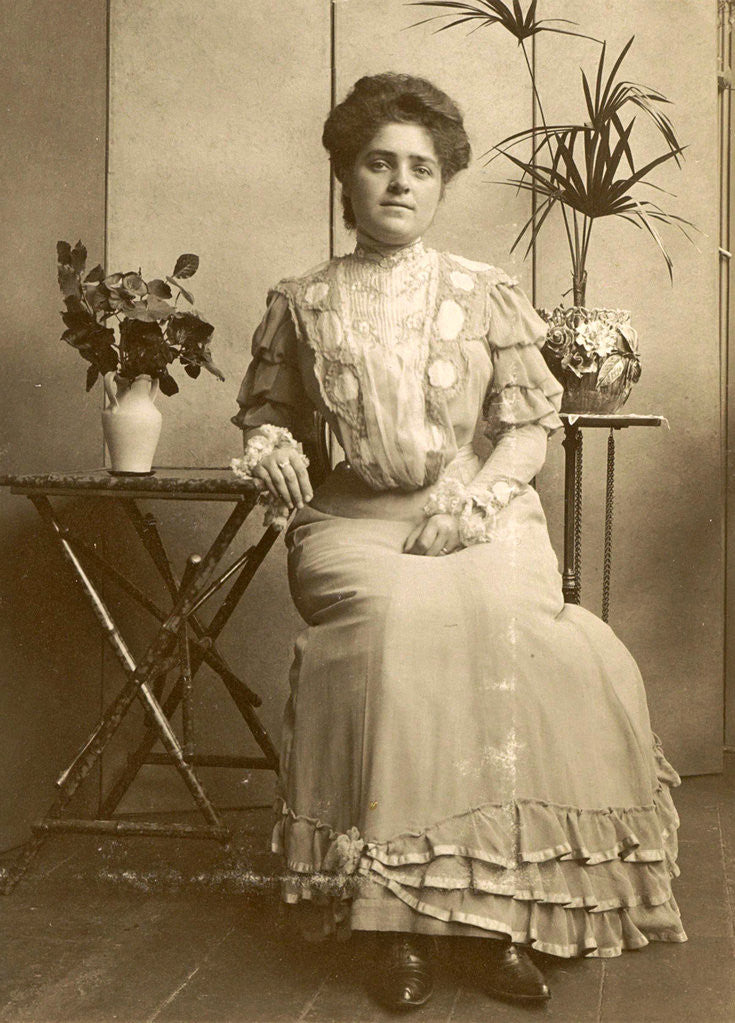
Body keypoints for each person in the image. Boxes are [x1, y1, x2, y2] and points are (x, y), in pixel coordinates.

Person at [231, 72, 686, 1010]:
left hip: (479, 508)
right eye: (377, 164)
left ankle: (495, 914)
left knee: (500, 621)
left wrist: (472, 503)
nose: (399, 183)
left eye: (421, 168)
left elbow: (527, 424)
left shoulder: (485, 293)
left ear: (442, 183)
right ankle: (397, 924)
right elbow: (265, 415)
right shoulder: (302, 300)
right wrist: (270, 446)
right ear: (344, 178)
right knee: (398, 625)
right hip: (352, 521)